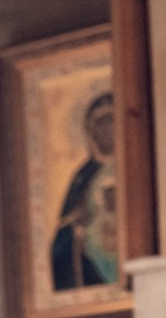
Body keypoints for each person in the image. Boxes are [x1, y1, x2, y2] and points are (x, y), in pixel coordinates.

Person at [47, 90, 119, 293]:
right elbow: (64, 231)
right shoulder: (83, 176)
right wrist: (81, 218)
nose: (107, 130)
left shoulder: (137, 167)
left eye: (111, 121)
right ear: (91, 131)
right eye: (101, 124)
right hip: (93, 256)